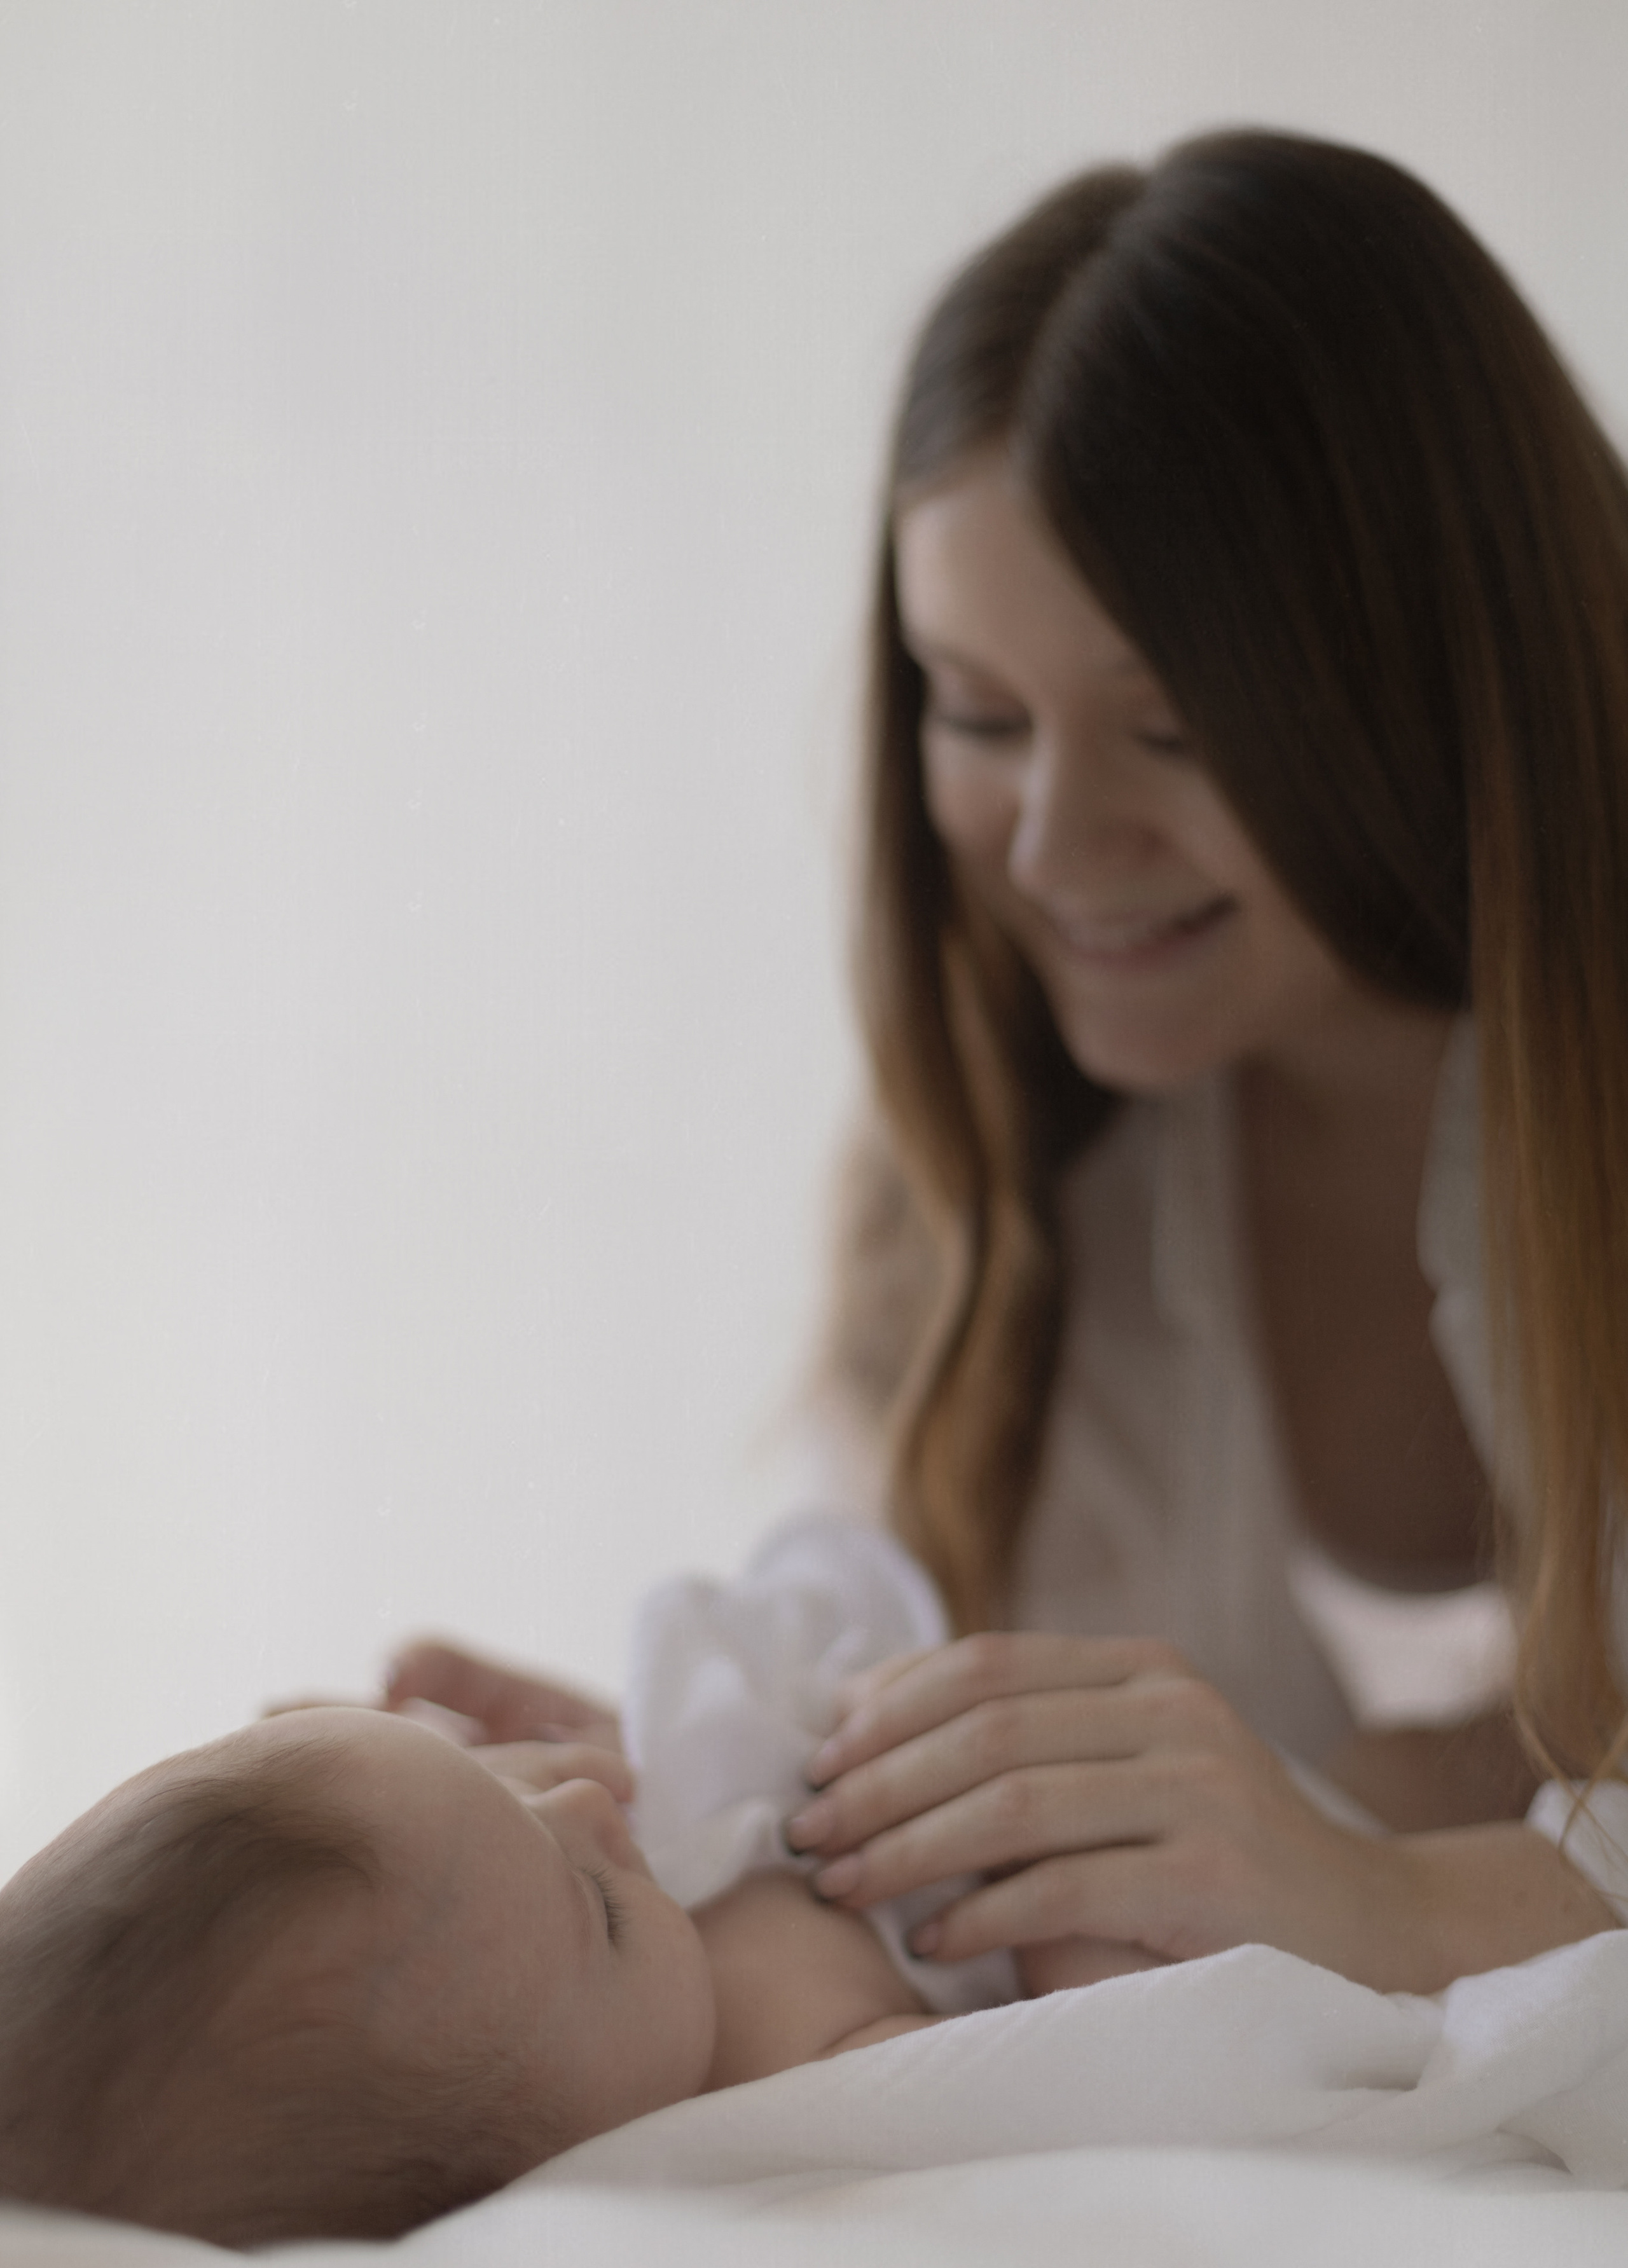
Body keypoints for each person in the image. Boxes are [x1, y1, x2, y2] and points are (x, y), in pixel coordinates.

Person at [391, 127, 1628, 1999]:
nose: (1051, 846)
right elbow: (1069, 1837)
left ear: (1441, 685)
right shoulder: (1009, 1161)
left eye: (1170, 732)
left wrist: (1388, 1895)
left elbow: (1354, 1832)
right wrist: (720, 1817)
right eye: (976, 713)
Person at [0, 1707, 940, 2248]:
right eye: (598, 1908)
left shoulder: (518, 1950)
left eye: (504, 1785)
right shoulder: (790, 2080)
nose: (588, 1800)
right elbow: (1013, 2066)